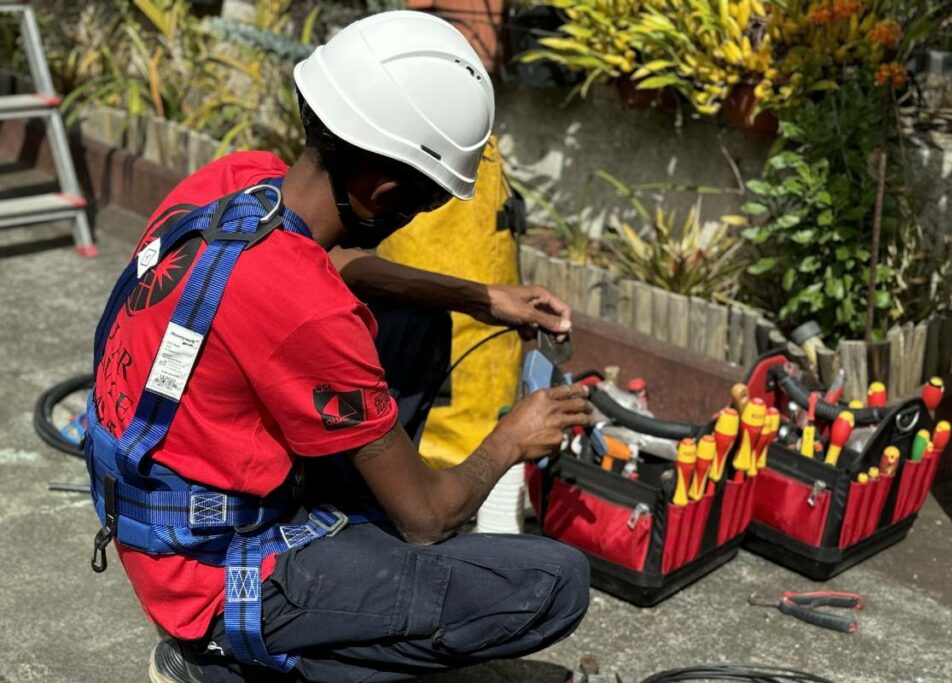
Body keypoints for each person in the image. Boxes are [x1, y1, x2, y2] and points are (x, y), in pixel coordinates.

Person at [85, 11, 593, 683]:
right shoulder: (311, 315)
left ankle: (344, 577)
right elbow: (428, 515)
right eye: (428, 200)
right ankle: (222, 665)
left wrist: (479, 296)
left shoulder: (240, 178)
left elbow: (335, 259)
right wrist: (512, 439)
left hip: (161, 514)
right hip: (211, 580)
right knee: (555, 581)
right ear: (385, 192)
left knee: (419, 320)